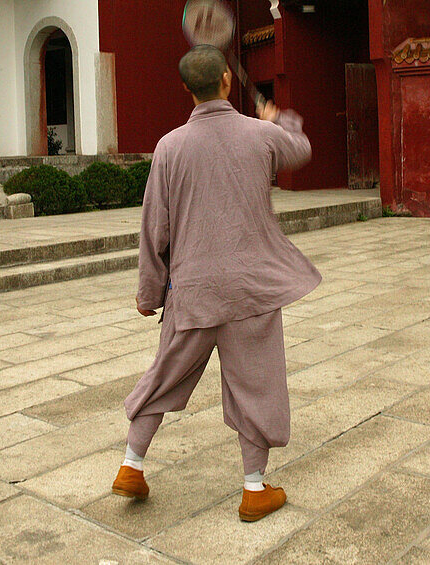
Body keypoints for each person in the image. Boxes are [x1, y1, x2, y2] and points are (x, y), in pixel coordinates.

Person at [111, 45, 321, 522]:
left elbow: (154, 229)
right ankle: (253, 488)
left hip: (194, 290)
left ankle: (132, 464)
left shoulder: (169, 146)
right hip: (251, 289)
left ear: (186, 89)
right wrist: (278, 118)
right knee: (256, 383)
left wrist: (149, 292)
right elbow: (302, 150)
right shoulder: (261, 134)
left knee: (165, 375)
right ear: (228, 79)